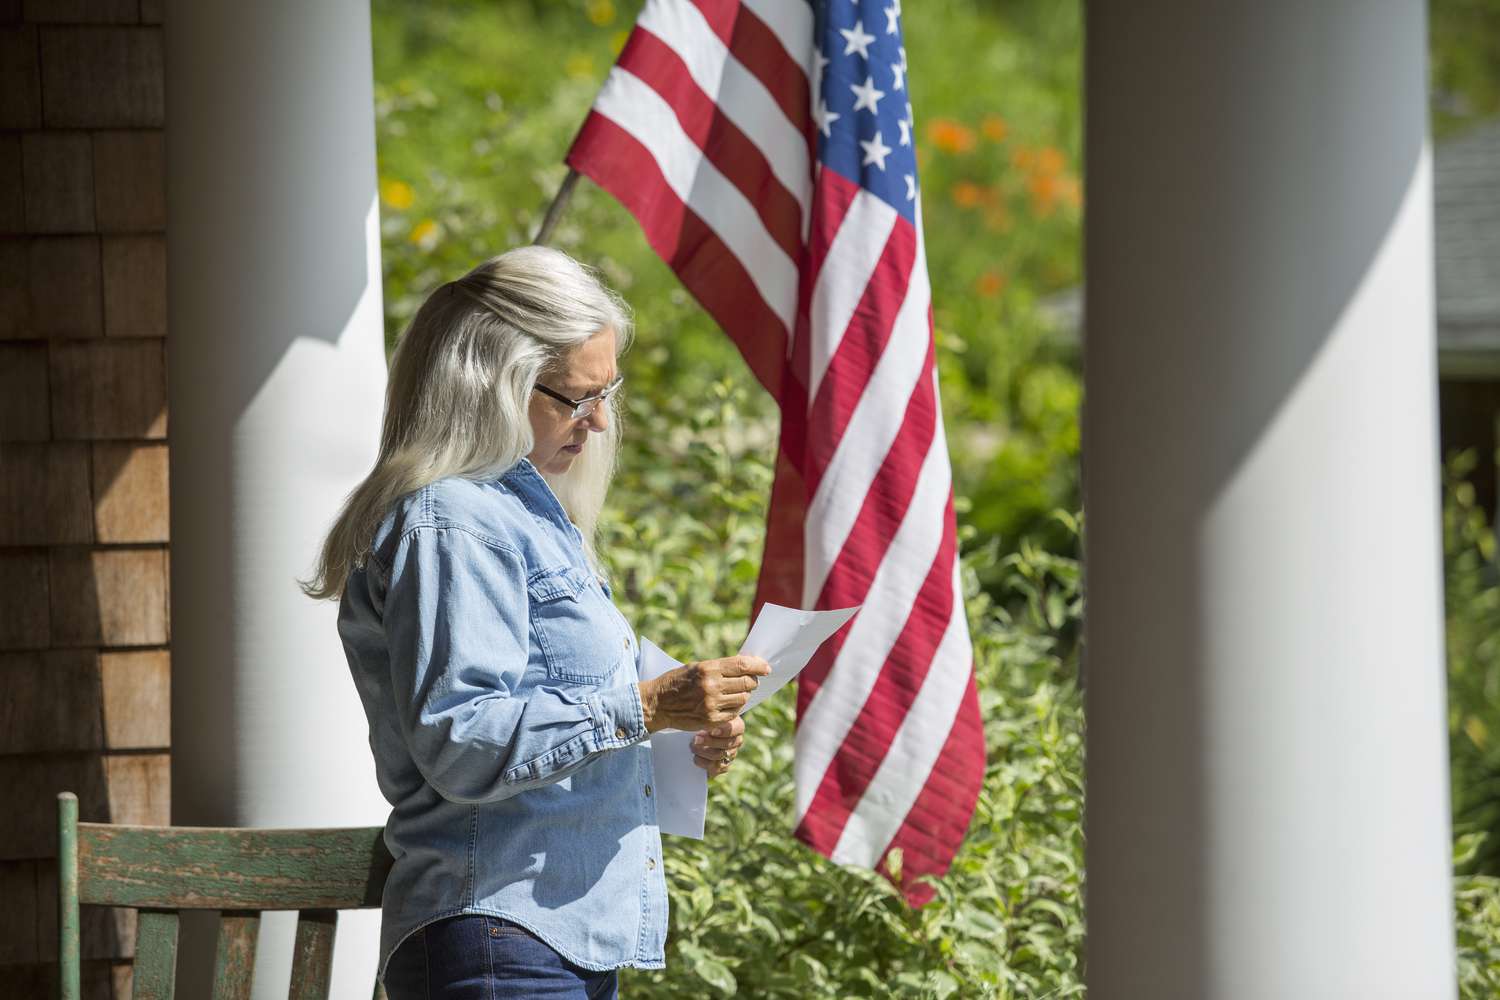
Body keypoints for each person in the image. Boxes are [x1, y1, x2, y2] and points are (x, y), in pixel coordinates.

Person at [301, 245, 771, 999]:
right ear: (490, 381)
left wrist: (674, 739)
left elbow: (543, 746)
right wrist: (646, 706)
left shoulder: (519, 516)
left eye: (607, 393)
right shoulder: (453, 521)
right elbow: (462, 741)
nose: (601, 422)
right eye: (578, 399)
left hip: (542, 937)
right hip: (500, 934)